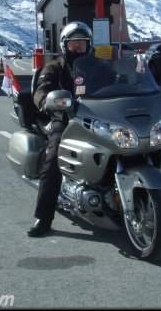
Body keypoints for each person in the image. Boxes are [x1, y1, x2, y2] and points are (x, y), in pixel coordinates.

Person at [28, 21, 93, 237]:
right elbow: (41, 90)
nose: (78, 47)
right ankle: (43, 218)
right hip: (64, 118)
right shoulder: (54, 67)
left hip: (95, 117)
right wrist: (47, 101)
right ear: (65, 45)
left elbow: (115, 81)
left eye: (82, 43)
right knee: (54, 158)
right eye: (74, 43)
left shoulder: (97, 66)